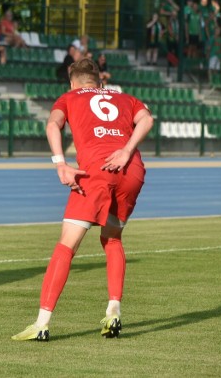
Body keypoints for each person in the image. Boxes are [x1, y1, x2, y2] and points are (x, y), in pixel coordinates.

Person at [11, 57, 153, 342]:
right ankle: (113, 310)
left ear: (72, 81)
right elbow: (147, 119)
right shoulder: (124, 97)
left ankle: (41, 323)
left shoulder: (69, 97)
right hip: (131, 171)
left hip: (96, 171)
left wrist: (60, 164)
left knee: (66, 245)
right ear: (99, 82)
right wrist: (126, 151)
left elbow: (53, 126)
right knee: (112, 239)